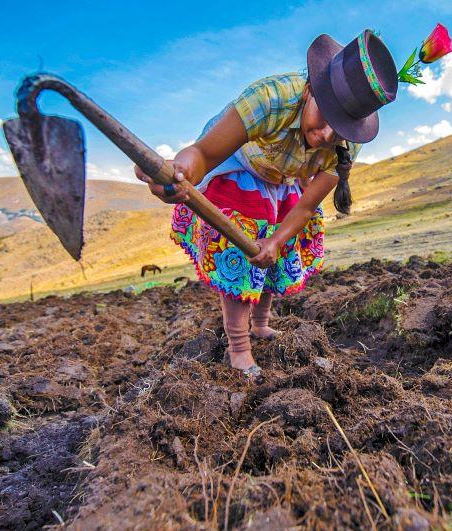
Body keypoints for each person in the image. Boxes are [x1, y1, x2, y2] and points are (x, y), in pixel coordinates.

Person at [135, 30, 399, 377]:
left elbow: (305, 208)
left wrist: (275, 241)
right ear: (310, 90)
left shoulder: (345, 143)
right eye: (325, 121)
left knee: (274, 255)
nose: (325, 137)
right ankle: (238, 346)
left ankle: (260, 324)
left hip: (285, 182)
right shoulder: (271, 99)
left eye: (339, 130)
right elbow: (203, 154)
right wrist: (181, 172)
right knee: (241, 258)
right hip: (242, 169)